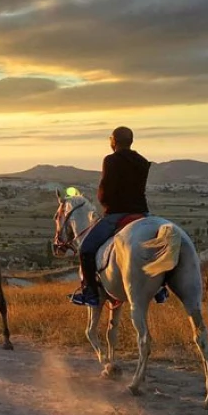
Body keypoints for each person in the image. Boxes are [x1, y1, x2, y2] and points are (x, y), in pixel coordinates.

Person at [69, 126, 165, 306]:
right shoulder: (142, 162)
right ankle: (160, 288)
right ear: (131, 141)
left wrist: (103, 202)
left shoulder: (111, 160)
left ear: (114, 141)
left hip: (117, 214)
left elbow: (105, 192)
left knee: (86, 250)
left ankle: (90, 293)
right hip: (142, 213)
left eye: (110, 139)